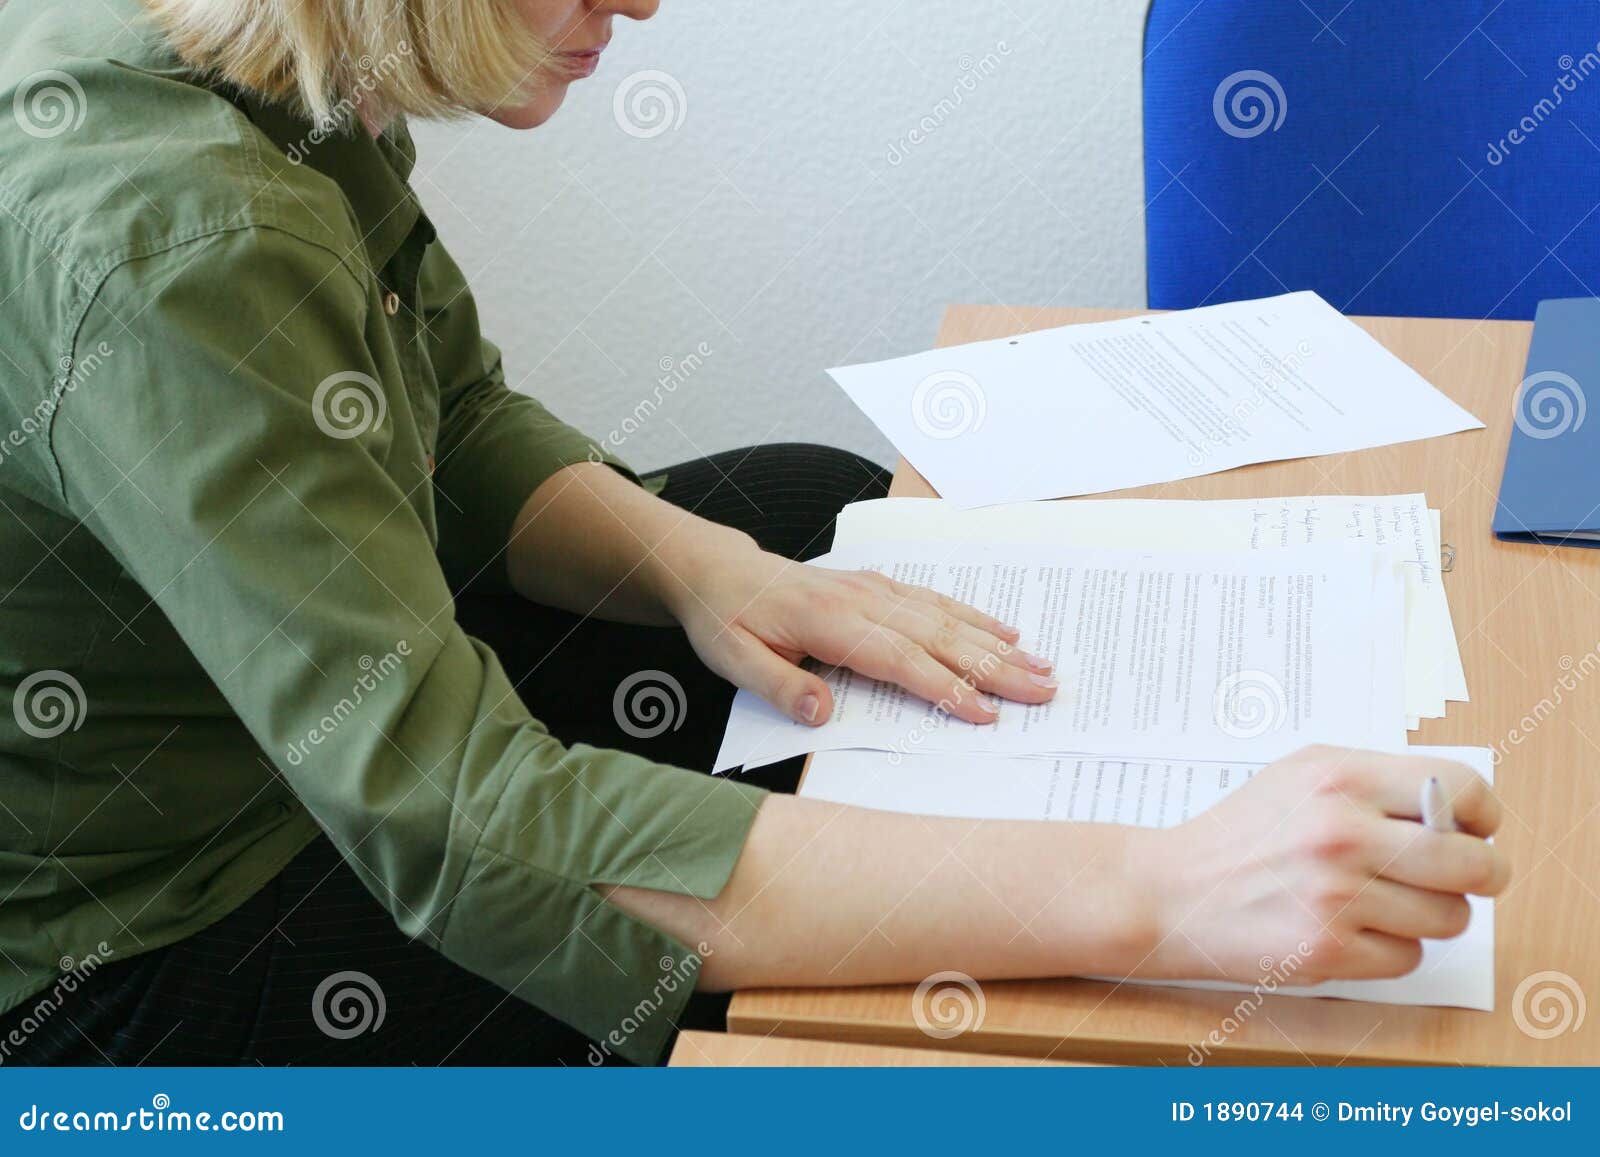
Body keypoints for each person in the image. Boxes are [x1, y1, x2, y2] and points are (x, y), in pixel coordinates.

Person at [0, 0, 1507, 1066]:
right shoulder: (185, 239)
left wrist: (715, 571)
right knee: (822, 1038)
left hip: (308, 726)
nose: (639, 6)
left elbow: (447, 419)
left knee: (800, 508)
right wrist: (1163, 886)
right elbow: (457, 824)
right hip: (153, 936)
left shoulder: (276, 49)